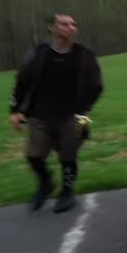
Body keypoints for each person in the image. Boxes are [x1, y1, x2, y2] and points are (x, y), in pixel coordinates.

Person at [8, 13, 104, 213]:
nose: (70, 27)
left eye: (73, 24)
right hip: (40, 115)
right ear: (52, 28)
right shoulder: (39, 53)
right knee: (34, 155)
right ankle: (46, 183)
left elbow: (96, 87)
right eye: (64, 24)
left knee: (69, 154)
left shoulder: (84, 55)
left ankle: (67, 190)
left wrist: (83, 111)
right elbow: (22, 82)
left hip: (76, 114)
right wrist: (15, 110)